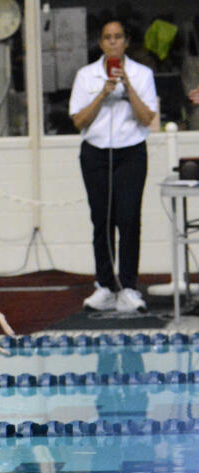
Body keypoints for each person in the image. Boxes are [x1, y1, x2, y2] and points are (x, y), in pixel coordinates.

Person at [69, 20, 156, 314]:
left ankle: (129, 287)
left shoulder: (142, 74)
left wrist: (128, 86)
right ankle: (105, 286)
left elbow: (146, 119)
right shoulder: (86, 75)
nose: (113, 42)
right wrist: (103, 93)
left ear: (126, 42)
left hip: (130, 153)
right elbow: (79, 121)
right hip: (95, 154)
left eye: (118, 37)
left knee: (129, 218)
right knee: (102, 219)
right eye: (108, 38)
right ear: (101, 44)